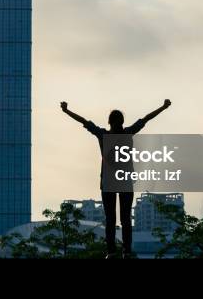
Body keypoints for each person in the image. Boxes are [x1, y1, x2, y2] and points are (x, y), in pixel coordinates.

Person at [60, 99, 172, 258]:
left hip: (108, 181)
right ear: (122, 122)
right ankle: (126, 251)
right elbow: (146, 118)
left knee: (110, 219)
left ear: (109, 122)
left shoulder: (103, 135)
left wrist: (66, 111)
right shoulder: (127, 133)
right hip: (124, 180)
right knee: (126, 219)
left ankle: (111, 252)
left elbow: (84, 121)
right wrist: (163, 107)